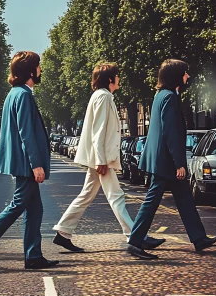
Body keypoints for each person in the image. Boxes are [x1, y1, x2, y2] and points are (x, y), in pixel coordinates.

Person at [52, 62, 165, 252]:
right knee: (116, 196)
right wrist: (101, 160)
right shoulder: (103, 97)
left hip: (100, 156)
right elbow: (98, 132)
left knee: (86, 195)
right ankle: (135, 236)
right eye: (117, 75)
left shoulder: (102, 96)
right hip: (101, 158)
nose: (119, 78)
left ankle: (63, 232)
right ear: (110, 79)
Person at [127, 59, 216, 260]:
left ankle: (199, 237)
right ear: (176, 76)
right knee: (151, 202)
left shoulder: (162, 95)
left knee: (185, 198)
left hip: (161, 158)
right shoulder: (169, 97)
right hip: (165, 161)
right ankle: (135, 241)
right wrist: (179, 162)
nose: (187, 76)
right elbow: (171, 133)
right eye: (185, 73)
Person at [0, 51, 57, 271]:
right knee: (18, 204)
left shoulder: (15, 93)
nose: (40, 70)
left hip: (21, 161)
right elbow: (26, 132)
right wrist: (36, 164)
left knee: (35, 209)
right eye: (38, 66)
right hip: (25, 163)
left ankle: (33, 255)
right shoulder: (23, 95)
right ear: (30, 70)